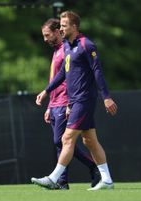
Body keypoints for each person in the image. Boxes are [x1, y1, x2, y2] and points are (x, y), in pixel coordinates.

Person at [31, 11, 118, 191]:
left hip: (84, 99)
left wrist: (107, 97)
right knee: (89, 141)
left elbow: (98, 72)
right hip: (75, 101)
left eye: (63, 25)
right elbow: (62, 73)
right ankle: (107, 180)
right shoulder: (68, 47)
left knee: (67, 138)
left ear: (74, 27)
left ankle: (54, 178)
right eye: (60, 25)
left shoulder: (87, 45)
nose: (61, 28)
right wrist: (46, 91)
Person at [40, 18, 100, 190]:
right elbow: (56, 79)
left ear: (58, 31)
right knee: (63, 142)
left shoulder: (68, 49)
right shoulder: (58, 51)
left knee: (62, 141)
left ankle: (80, 172)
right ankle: (64, 181)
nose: (45, 39)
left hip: (66, 103)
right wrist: (49, 105)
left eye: (47, 35)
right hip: (55, 104)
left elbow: (71, 80)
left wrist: (69, 104)